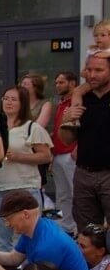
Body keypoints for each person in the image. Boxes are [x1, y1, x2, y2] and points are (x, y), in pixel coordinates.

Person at [0, 85, 52, 251]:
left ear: (22, 103)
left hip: (25, 189)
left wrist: (19, 157)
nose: (8, 102)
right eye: (6, 98)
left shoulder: (32, 127)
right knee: (0, 239)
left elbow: (46, 156)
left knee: (31, 236)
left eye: (13, 99)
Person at [63, 50, 110, 229]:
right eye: (89, 70)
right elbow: (67, 140)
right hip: (84, 173)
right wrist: (66, 120)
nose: (92, 75)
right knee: (87, 231)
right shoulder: (81, 98)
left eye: (99, 70)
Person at [50, 71, 80, 236]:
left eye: (61, 82)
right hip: (58, 152)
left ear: (72, 83)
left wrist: (78, 147)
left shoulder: (76, 103)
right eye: (56, 83)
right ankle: (65, 225)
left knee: (75, 191)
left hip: (70, 153)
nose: (58, 86)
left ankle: (78, 226)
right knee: (62, 194)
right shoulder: (61, 104)